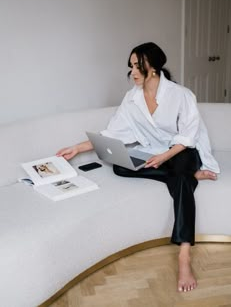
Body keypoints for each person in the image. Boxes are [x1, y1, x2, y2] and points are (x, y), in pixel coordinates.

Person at [56, 42, 220, 293]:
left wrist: (165, 157)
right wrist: (77, 148)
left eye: (138, 66)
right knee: (120, 166)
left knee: (181, 172)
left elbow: (188, 135)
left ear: (153, 68)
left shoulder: (181, 95)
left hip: (184, 152)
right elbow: (114, 134)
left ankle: (184, 256)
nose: (133, 71)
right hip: (156, 154)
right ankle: (187, 176)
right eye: (131, 66)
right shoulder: (131, 99)